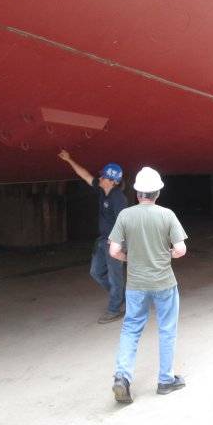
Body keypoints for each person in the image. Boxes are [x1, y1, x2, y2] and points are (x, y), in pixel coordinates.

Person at [108, 166, 187, 404]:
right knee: (166, 329)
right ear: (157, 193)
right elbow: (181, 250)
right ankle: (165, 380)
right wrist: (167, 254)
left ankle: (122, 377)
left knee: (131, 329)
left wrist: (129, 258)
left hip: (135, 284)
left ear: (137, 193)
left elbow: (113, 251)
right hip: (164, 282)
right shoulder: (167, 215)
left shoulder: (125, 215)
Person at [58, 149, 127, 323]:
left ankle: (114, 309)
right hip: (103, 240)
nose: (100, 178)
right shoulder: (102, 189)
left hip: (115, 242)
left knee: (114, 276)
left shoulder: (118, 197)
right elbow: (85, 175)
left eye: (103, 177)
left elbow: (124, 221)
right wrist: (69, 159)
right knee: (96, 272)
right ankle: (122, 297)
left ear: (112, 181)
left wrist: (116, 243)